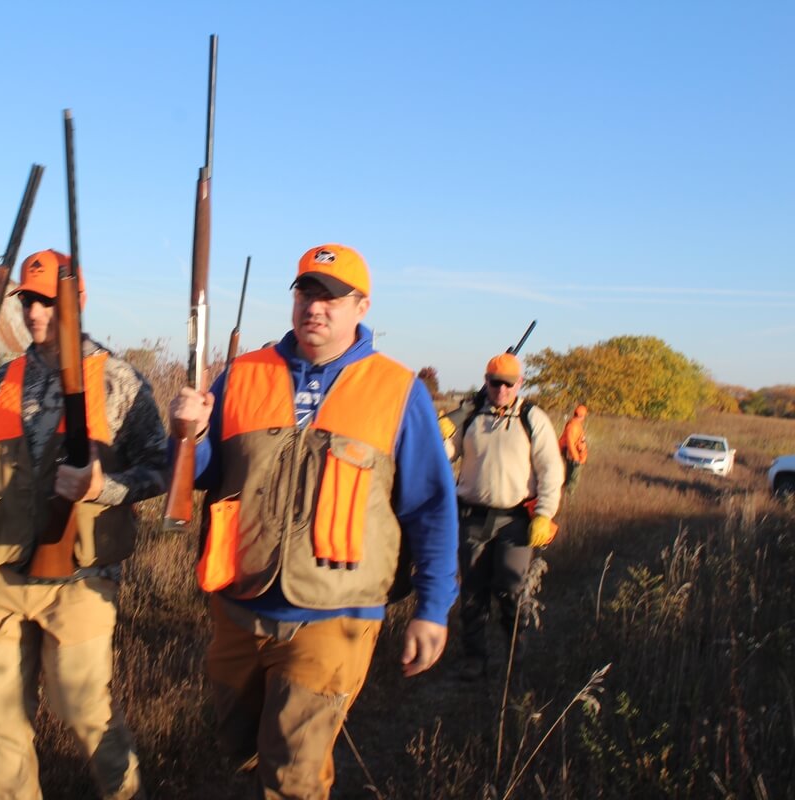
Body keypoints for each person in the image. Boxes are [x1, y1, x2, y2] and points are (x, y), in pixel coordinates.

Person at [169, 243, 459, 799]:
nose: (314, 307)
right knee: (239, 746)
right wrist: (191, 433)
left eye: (331, 297)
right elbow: (201, 475)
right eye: (306, 293)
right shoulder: (242, 374)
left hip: (334, 616)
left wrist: (433, 608)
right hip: (239, 606)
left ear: (362, 307)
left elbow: (430, 509)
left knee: (292, 775)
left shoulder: (398, 391)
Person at [0, 249, 167, 800]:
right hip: (1, 573)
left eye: (46, 300)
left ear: (77, 302)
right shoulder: (3, 377)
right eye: (27, 301)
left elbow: (160, 468)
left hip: (80, 579)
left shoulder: (118, 380)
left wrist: (103, 489)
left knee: (82, 707)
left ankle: (125, 793)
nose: (34, 312)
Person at [443, 352, 564, 681]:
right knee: (472, 591)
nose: (502, 389)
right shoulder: (470, 415)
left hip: (516, 521)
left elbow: (551, 470)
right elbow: (446, 454)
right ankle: (474, 657)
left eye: (509, 384)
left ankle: (514, 651)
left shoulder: (532, 418)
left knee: (510, 588)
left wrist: (544, 514)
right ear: (486, 382)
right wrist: (440, 432)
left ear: (520, 383)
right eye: (495, 383)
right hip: (472, 517)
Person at [558, 404, 589, 494]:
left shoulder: (575, 424)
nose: (584, 418)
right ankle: (569, 497)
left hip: (575, 456)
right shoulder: (573, 426)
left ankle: (567, 494)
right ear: (581, 416)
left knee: (570, 478)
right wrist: (576, 458)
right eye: (584, 416)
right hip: (574, 457)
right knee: (572, 480)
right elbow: (570, 443)